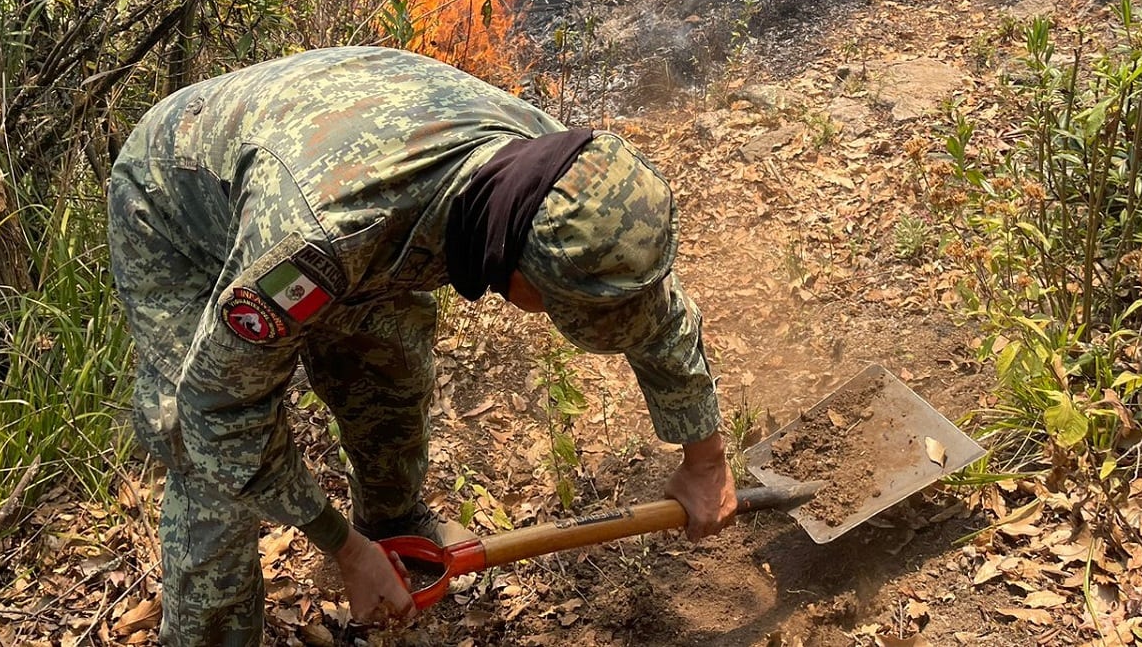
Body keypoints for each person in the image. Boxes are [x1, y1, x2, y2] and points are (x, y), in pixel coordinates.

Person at [108, 46, 738, 646]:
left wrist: (706, 460)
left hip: (340, 153)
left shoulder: (562, 179)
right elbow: (220, 414)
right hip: (179, 199)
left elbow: (653, 309)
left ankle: (397, 536)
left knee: (391, 371)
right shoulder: (321, 238)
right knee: (206, 469)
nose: (549, 315)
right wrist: (341, 548)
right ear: (510, 263)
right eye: (554, 304)